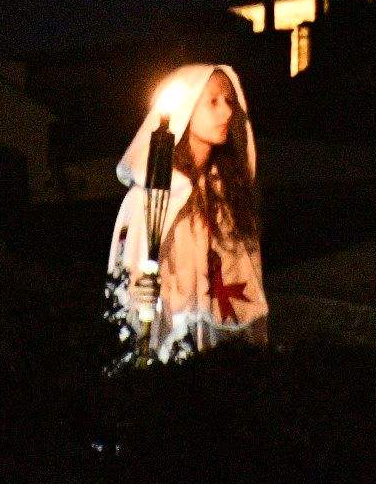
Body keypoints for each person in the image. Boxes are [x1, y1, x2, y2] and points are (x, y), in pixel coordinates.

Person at [106, 63, 268, 359]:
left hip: (221, 352)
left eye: (229, 101)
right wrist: (140, 296)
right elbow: (128, 280)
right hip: (170, 348)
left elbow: (243, 274)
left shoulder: (225, 193)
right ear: (186, 110)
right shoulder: (149, 198)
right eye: (213, 102)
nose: (227, 112)